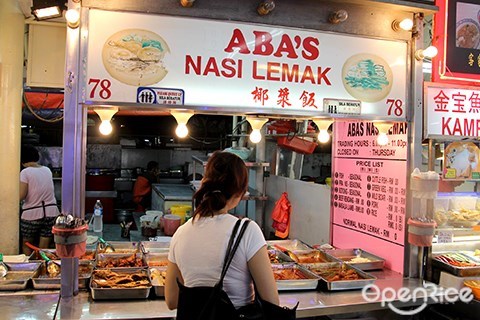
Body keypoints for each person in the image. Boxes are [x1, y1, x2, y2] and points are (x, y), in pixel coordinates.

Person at [165, 151, 279, 313]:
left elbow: (171, 300)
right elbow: (272, 302)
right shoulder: (247, 230)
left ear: (205, 184)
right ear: (240, 192)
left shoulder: (181, 233)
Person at [19, 145, 60, 255]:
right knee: (44, 248)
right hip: (51, 214)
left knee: (27, 244)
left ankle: (30, 268)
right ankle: (44, 265)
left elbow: (21, 195)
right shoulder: (47, 170)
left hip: (32, 215)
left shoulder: (25, 172)